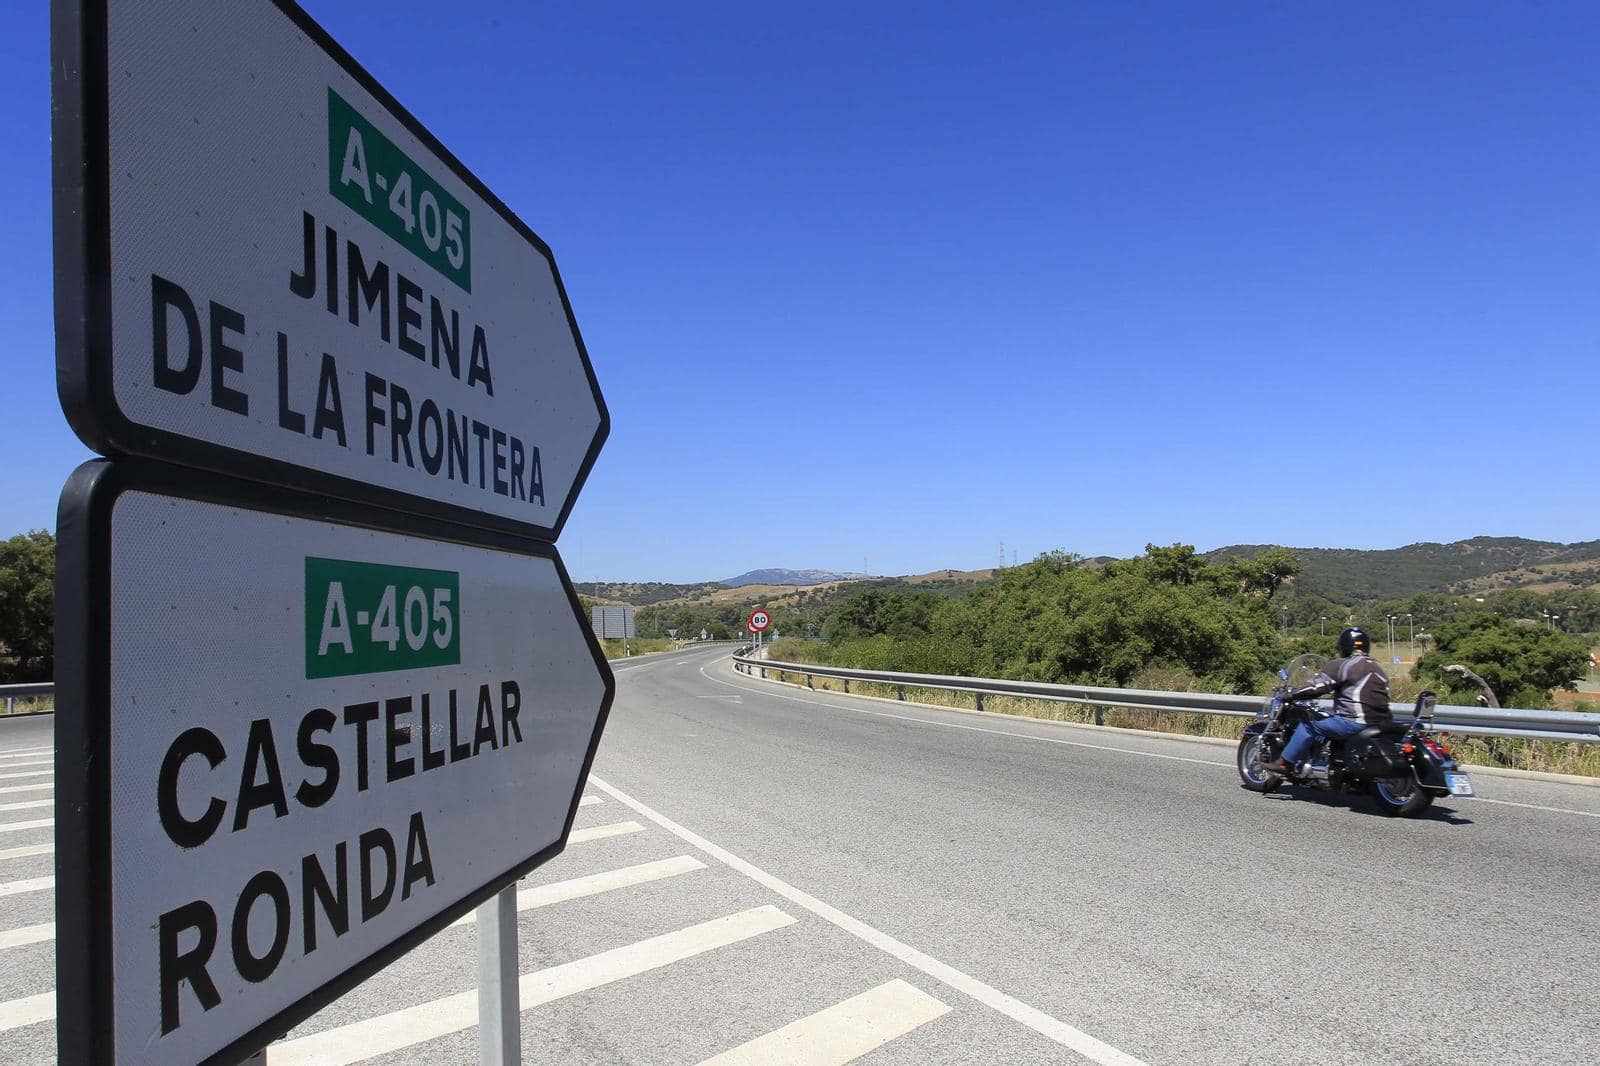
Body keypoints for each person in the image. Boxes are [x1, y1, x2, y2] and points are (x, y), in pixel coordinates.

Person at [1262, 627, 1391, 777]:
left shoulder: (1343, 665)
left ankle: (1284, 763)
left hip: (1354, 722)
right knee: (1327, 722)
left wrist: (1292, 694)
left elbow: (1316, 687)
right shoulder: (1378, 667)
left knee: (1308, 724)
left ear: (1344, 646)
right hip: (1381, 722)